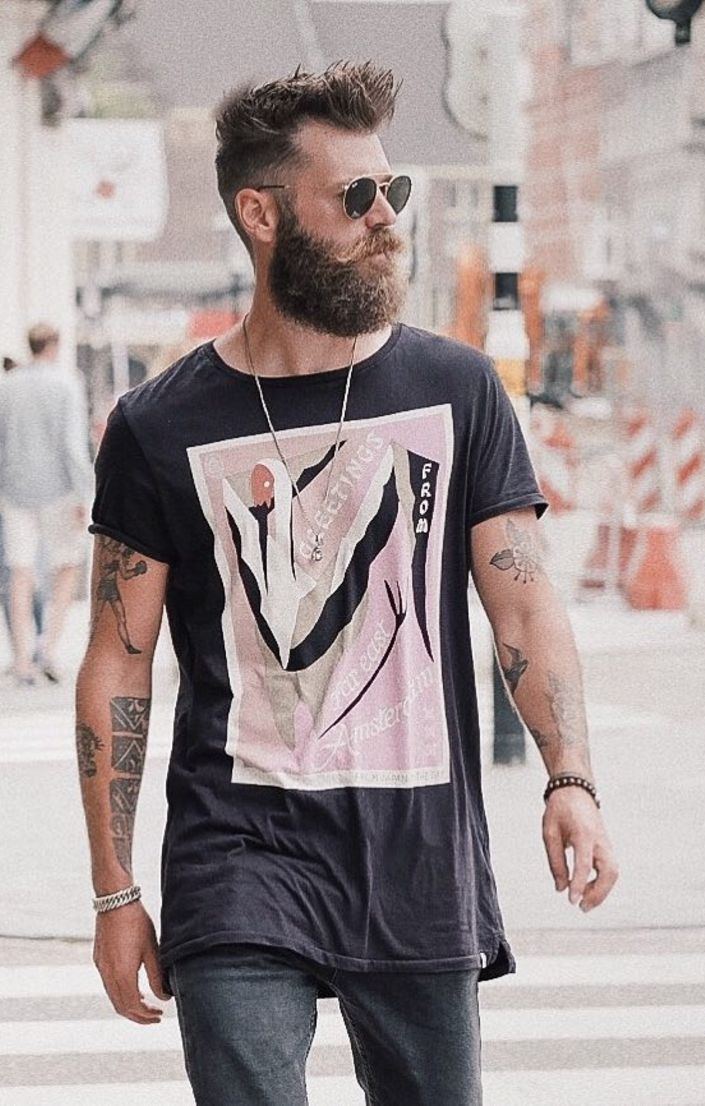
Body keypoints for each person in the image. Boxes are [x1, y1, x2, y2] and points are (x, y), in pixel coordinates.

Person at [76, 62, 618, 1106]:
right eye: (355, 195)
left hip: (417, 856)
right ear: (261, 214)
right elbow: (119, 658)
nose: (386, 217)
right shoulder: (158, 424)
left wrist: (571, 777)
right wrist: (114, 889)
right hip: (237, 855)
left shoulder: (456, 388)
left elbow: (522, 602)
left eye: (392, 189)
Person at [0, 323, 92, 685]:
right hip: (59, 491)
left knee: (20, 571)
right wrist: (83, 494)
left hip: (14, 491)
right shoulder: (66, 384)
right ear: (54, 346)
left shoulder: (7, 386)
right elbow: (72, 445)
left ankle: (22, 659)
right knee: (67, 566)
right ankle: (48, 650)